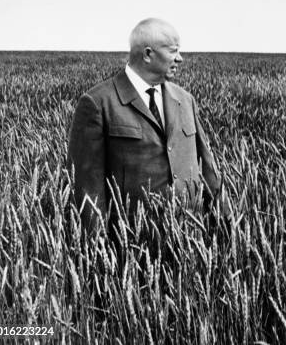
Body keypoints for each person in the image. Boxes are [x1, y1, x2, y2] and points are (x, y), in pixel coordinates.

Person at [67, 18, 220, 235]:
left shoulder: (185, 100)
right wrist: (98, 252)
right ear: (148, 55)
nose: (180, 59)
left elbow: (206, 166)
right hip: (132, 243)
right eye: (173, 51)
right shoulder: (98, 103)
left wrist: (222, 225)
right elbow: (87, 187)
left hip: (189, 236)